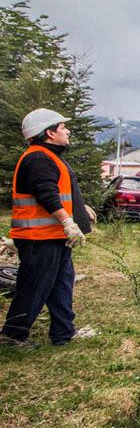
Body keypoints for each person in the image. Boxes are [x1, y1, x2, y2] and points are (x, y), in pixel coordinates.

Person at [1, 108, 92, 347]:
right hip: (39, 238)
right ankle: (12, 335)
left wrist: (79, 208)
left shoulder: (48, 156)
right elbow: (46, 194)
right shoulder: (38, 158)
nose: (67, 131)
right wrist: (67, 221)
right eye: (63, 127)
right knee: (34, 287)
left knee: (61, 284)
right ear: (49, 133)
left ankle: (63, 332)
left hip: (53, 237)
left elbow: (58, 191)